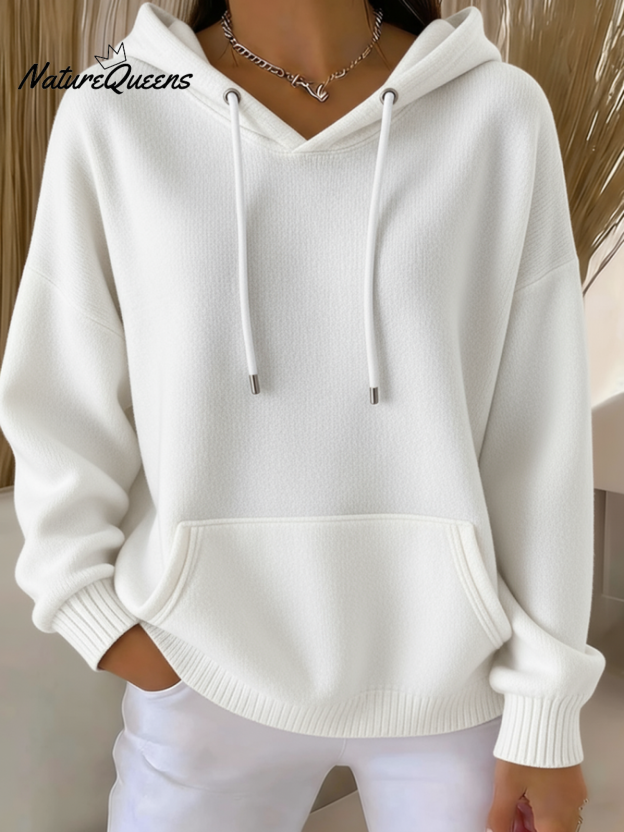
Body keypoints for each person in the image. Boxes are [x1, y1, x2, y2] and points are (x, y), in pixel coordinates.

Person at [0, 1, 604, 830]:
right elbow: (59, 395)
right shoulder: (118, 111)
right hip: (199, 674)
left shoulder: (496, 113)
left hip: (455, 686)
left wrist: (545, 712)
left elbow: (537, 436)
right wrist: (98, 619)